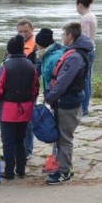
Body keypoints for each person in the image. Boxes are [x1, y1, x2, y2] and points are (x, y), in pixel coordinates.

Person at [44, 22, 93, 184]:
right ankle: (61, 167)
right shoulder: (76, 53)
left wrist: (50, 97)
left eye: (63, 35)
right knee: (61, 137)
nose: (62, 38)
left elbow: (63, 81)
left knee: (64, 138)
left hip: (68, 102)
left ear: (70, 36)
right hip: (67, 100)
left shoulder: (74, 57)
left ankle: (65, 171)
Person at [0, 35, 38, 180]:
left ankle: (9, 172)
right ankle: (21, 170)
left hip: (8, 111)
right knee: (20, 140)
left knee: (8, 142)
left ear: (9, 50)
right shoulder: (30, 66)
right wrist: (30, 103)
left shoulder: (4, 66)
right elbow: (35, 88)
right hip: (26, 109)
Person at [34, 28, 65, 173]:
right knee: (58, 128)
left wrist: (50, 97)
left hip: (56, 97)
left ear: (41, 45)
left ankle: (58, 161)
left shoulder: (51, 58)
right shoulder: (53, 52)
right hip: (55, 96)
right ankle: (55, 157)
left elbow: (53, 81)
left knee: (58, 129)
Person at [16, 19, 38, 160]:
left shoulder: (36, 47)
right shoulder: (16, 44)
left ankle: (28, 150)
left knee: (28, 121)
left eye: (26, 31)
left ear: (32, 29)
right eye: (20, 32)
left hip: (30, 89)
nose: (23, 34)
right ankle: (19, 149)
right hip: (16, 88)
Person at [76, 0, 97, 116]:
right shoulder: (92, 15)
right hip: (93, 49)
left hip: (86, 51)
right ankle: (85, 106)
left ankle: (84, 108)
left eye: (77, 6)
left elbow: (84, 37)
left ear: (80, 5)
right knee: (88, 79)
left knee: (83, 80)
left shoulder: (85, 18)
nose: (76, 9)